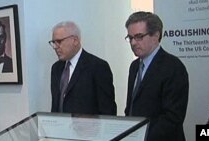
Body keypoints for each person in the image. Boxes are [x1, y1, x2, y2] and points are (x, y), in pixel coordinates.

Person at [124, 11, 189, 141]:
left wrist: (141, 136)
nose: (133, 43)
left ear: (156, 35)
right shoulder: (134, 66)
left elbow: (173, 117)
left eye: (139, 37)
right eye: (130, 38)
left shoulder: (173, 67)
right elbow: (131, 108)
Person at [49, 21, 117, 115]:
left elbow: (107, 109)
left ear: (75, 40)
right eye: (53, 42)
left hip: (89, 129)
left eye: (59, 42)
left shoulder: (97, 67)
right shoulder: (56, 68)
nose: (56, 47)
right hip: (61, 128)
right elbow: (56, 106)